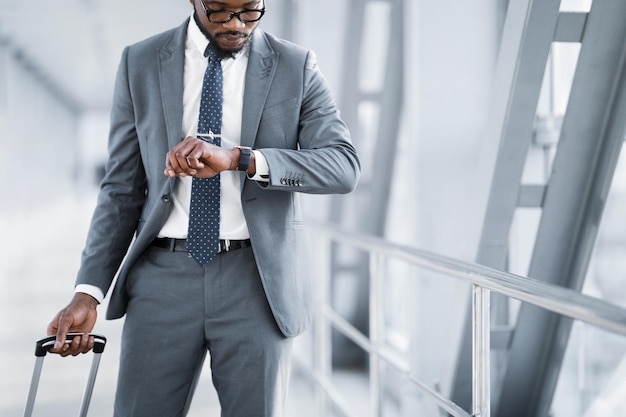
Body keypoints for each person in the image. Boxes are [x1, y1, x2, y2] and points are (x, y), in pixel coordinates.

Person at [46, 0, 360, 416]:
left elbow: (342, 166)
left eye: (250, 10)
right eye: (220, 11)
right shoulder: (139, 62)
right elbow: (121, 189)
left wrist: (240, 159)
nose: (236, 25)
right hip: (160, 281)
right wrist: (88, 292)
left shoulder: (295, 66)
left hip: (257, 283)